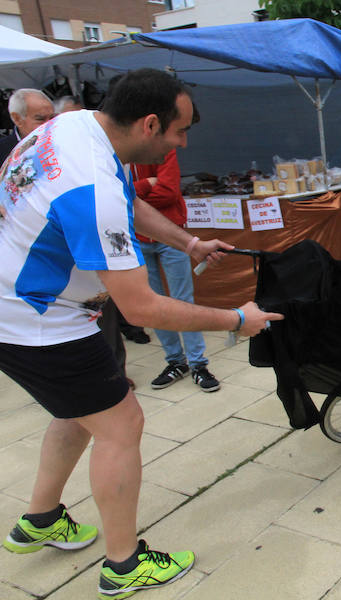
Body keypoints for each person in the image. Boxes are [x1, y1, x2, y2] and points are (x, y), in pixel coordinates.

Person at [0, 68, 283, 598]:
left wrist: (187, 242)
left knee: (80, 412)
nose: (182, 143)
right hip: (39, 322)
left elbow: (129, 205)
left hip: (22, 308)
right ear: (150, 123)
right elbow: (142, 308)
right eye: (179, 132)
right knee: (120, 424)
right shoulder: (91, 186)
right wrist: (235, 320)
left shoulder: (76, 126)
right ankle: (123, 566)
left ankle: (39, 521)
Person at [134, 141, 221, 392]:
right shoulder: (113, 153)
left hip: (170, 234)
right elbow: (113, 194)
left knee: (183, 300)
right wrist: (145, 184)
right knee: (152, 302)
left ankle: (198, 364)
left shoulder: (161, 148)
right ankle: (175, 361)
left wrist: (134, 194)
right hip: (137, 238)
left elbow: (169, 191)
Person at [0, 88, 54, 162]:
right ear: (17, 119)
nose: (49, 124)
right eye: (40, 119)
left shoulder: (61, 144)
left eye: (52, 118)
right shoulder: (3, 151)